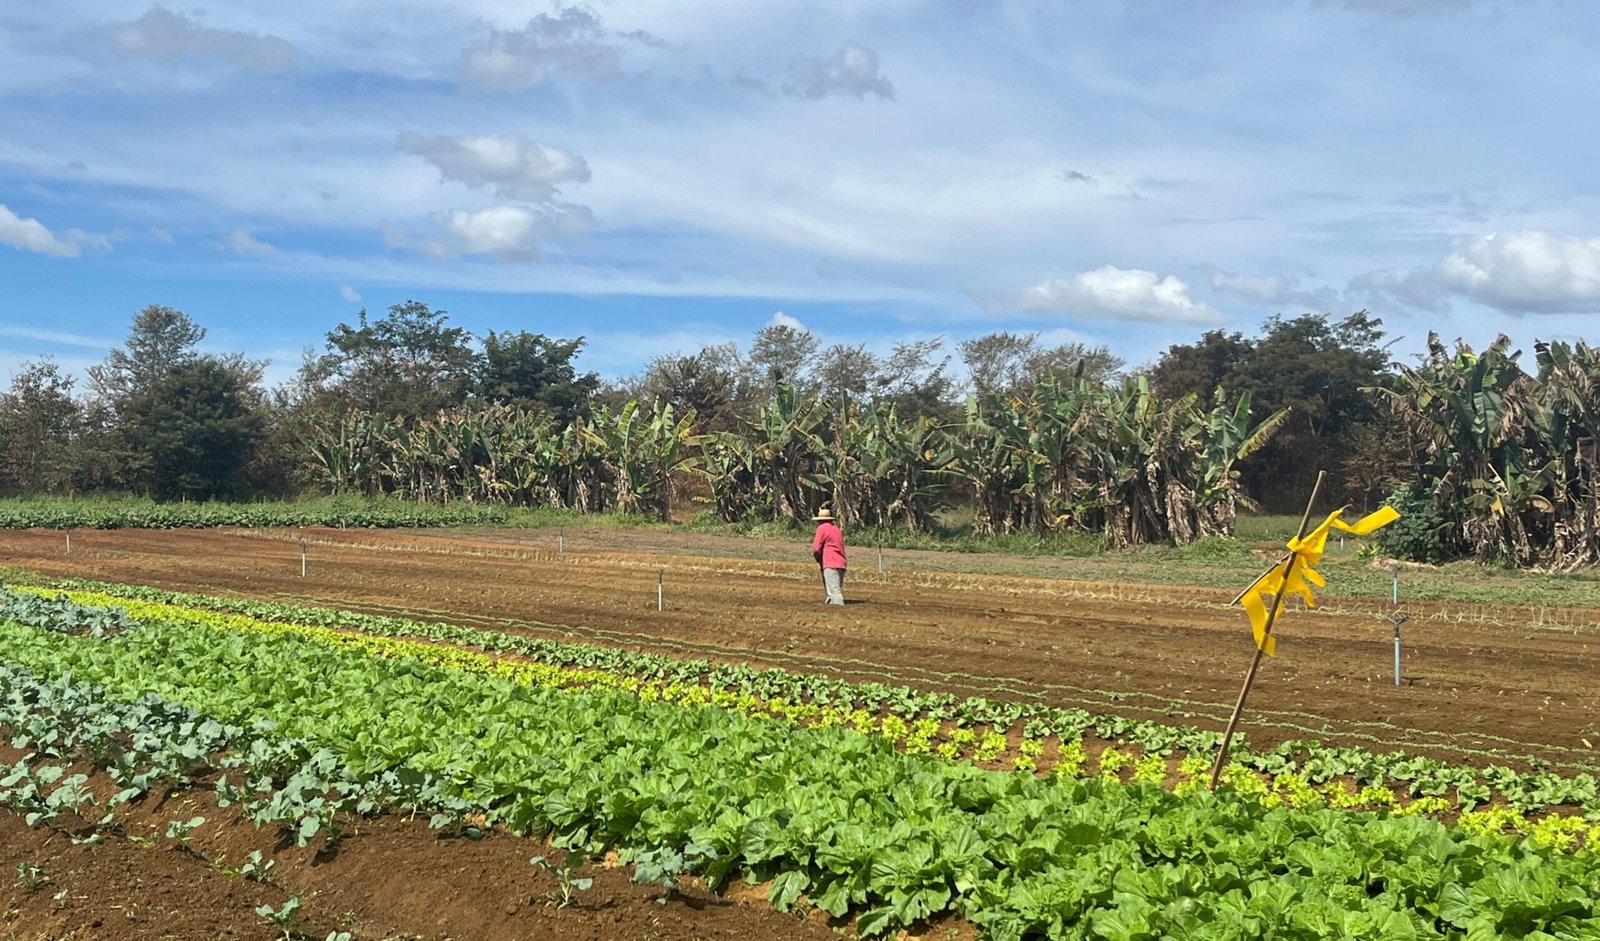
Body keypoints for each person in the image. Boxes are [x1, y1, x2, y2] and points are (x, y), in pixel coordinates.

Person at [811, 507, 847, 605]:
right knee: (833, 590)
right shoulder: (836, 529)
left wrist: (818, 559)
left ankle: (839, 611)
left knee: (834, 592)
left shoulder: (821, 529)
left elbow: (816, 548)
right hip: (841, 563)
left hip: (830, 562)